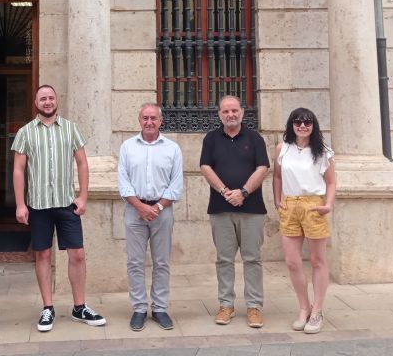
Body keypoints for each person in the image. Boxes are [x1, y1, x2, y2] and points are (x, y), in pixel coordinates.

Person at [12, 84, 107, 332]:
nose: (47, 102)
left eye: (51, 98)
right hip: (38, 206)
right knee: (42, 255)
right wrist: (21, 204)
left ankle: (79, 307)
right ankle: (48, 308)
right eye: (42, 98)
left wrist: (84, 197)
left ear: (57, 101)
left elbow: (82, 164)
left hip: (66, 204)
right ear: (36, 103)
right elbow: (18, 169)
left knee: (77, 254)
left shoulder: (71, 129)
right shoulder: (25, 132)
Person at [199, 95, 270, 328]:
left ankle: (254, 307)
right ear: (219, 114)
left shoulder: (255, 138)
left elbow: (263, 168)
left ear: (242, 111)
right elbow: (205, 167)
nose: (230, 114)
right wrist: (225, 191)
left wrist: (243, 192)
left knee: (252, 259)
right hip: (220, 209)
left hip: (252, 209)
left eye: (234, 110)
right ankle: (226, 305)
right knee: (224, 259)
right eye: (226, 111)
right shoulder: (211, 139)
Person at [117, 103, 184, 331]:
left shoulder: (172, 148)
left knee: (162, 262)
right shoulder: (127, 147)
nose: (149, 122)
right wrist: (140, 207)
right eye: (145, 118)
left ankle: (160, 308)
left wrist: (156, 207)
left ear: (160, 120)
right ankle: (139, 308)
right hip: (134, 212)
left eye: (153, 118)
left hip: (162, 212)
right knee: (135, 263)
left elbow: (176, 185)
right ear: (139, 120)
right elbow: (123, 183)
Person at [272, 107, 336, 334]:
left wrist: (328, 204)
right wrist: (277, 201)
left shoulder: (323, 152)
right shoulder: (283, 148)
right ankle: (303, 307)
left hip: (313, 205)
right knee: (291, 261)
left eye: (307, 122)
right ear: (291, 125)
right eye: (297, 122)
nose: (302, 126)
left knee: (318, 260)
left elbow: (330, 182)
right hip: (290, 205)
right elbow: (277, 176)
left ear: (313, 125)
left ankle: (317, 311)